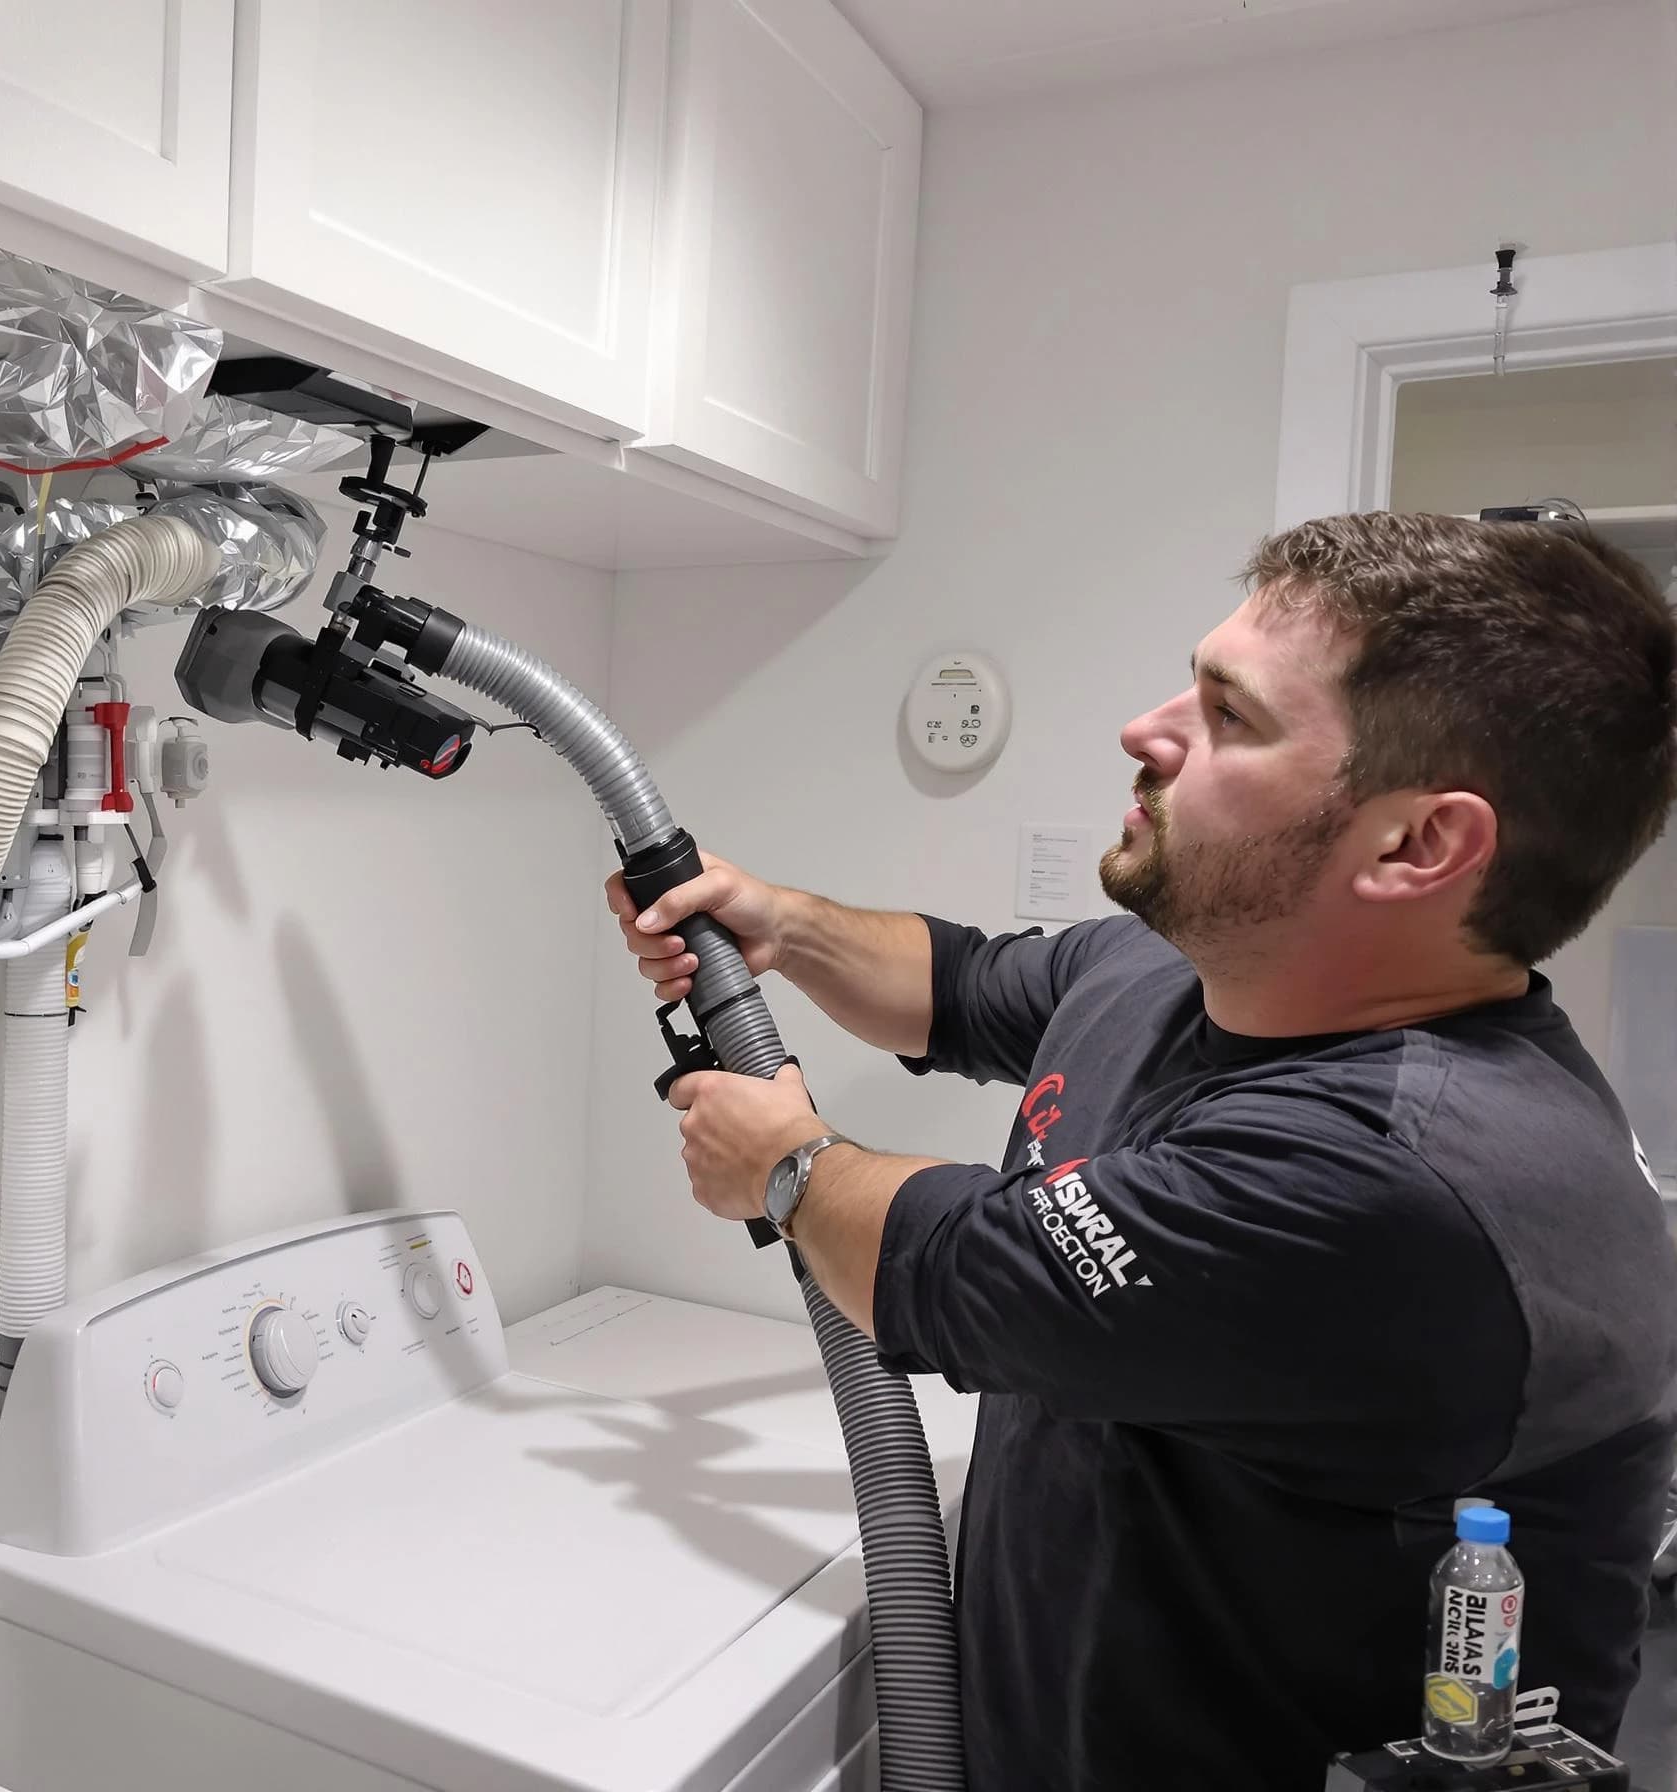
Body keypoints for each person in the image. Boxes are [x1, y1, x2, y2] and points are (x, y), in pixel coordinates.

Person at [606, 513, 1677, 1791]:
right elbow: (960, 985)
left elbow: (960, 1263)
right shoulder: (1194, 968)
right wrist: (779, 922)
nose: (1147, 727)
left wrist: (782, 1165)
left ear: (1413, 845)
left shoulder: (1407, 1179)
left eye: (1230, 714)